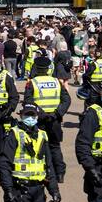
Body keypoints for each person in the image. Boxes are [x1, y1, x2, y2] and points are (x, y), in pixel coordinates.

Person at [23, 55, 69, 183]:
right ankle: (59, 173)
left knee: (39, 146)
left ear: (36, 68)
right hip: (54, 119)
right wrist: (57, 113)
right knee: (55, 146)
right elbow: (66, 100)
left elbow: (28, 101)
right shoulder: (56, 82)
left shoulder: (32, 83)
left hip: (39, 120)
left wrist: (41, 113)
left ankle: (45, 171)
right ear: (49, 69)